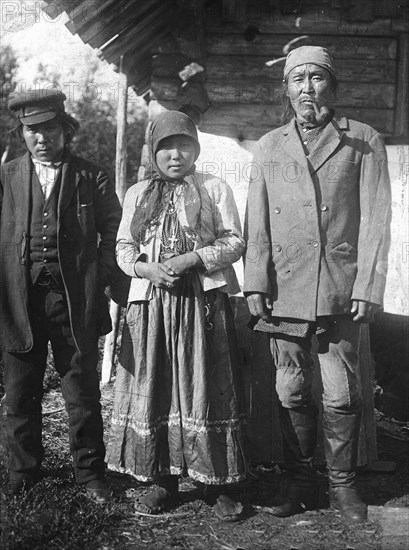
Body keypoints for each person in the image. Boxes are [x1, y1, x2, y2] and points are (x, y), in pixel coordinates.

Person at [243, 46, 391, 523]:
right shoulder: (268, 146)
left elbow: (376, 221)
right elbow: (257, 222)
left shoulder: (363, 141)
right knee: (291, 391)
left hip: (340, 288)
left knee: (342, 393)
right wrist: (255, 283)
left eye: (318, 78)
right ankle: (301, 480)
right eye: (298, 79)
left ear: (335, 86)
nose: (308, 88)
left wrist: (367, 285)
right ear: (285, 89)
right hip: (285, 287)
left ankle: (343, 484)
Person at [106, 110, 246, 520]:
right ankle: (160, 481)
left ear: (196, 150)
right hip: (151, 303)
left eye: (184, 146)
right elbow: (122, 248)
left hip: (201, 304)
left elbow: (235, 241)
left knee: (204, 383)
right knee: (157, 384)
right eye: (166, 147)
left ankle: (214, 483)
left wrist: (191, 259)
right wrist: (147, 269)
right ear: (154, 151)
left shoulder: (214, 188)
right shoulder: (136, 194)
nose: (175, 155)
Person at [0, 89, 121, 502]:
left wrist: (100, 274)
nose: (41, 138)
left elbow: (113, 232)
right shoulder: (9, 175)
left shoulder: (92, 176)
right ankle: (23, 473)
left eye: (49, 128)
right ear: (22, 134)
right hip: (19, 299)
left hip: (74, 300)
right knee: (19, 391)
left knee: (82, 390)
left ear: (65, 130)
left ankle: (90, 475)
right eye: (32, 130)